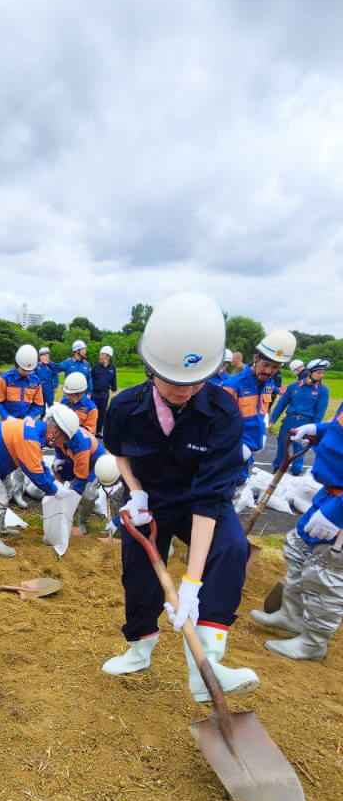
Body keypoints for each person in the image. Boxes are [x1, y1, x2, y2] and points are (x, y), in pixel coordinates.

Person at [102, 291, 259, 702]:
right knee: (139, 576)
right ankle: (139, 650)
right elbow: (118, 452)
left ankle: (204, 668)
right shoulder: (124, 407)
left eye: (196, 382)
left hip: (197, 502)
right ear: (152, 367)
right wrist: (134, 492)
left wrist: (191, 582)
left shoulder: (223, 412)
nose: (185, 391)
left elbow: (210, 499)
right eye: (174, 381)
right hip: (148, 501)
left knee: (230, 549)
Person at [250, 408, 343, 660]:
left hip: (339, 506)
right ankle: (292, 616)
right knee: (298, 548)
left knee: (327, 573)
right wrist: (318, 430)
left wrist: (338, 513)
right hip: (329, 495)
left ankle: (313, 643)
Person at [0, 405, 79, 556]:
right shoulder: (30, 436)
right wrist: (54, 490)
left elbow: (38, 463)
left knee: (5, 492)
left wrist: (53, 482)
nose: (61, 444)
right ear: (56, 432)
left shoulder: (36, 431)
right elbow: (35, 472)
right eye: (63, 439)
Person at [224, 329, 296, 481]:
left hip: (251, 451)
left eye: (275, 367)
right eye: (266, 365)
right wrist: (235, 449)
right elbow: (219, 424)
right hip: (233, 453)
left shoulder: (268, 383)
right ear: (255, 358)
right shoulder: (234, 385)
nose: (269, 371)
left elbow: (260, 413)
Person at [0, 345, 44, 509]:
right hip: (7, 425)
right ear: (17, 364)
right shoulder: (5, 379)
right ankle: (3, 493)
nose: (26, 372)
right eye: (23, 369)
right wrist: (8, 418)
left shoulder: (35, 382)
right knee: (5, 459)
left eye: (29, 370)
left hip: (24, 426)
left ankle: (18, 492)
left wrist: (29, 416)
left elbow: (39, 405)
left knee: (22, 461)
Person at [270, 358, 329, 475]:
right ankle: (276, 472)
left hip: (305, 423)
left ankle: (296, 474)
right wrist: (273, 419)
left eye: (323, 373)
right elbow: (282, 404)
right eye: (318, 372)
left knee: (299, 452)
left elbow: (319, 413)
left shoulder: (323, 390)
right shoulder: (294, 386)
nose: (321, 375)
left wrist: (314, 430)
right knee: (281, 449)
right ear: (309, 372)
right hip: (288, 422)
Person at [53, 425, 106, 533]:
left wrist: (71, 498)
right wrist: (57, 464)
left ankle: (82, 521)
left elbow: (82, 477)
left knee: (88, 494)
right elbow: (59, 452)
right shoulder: (58, 434)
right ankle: (57, 515)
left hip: (93, 466)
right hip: (73, 460)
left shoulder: (82, 443)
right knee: (56, 474)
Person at [90, 345, 117, 437]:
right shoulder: (95, 368)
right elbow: (89, 381)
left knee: (102, 413)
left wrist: (114, 392)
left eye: (102, 355)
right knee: (93, 412)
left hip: (105, 395)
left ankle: (98, 432)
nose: (100, 357)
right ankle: (90, 431)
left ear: (108, 357)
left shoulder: (112, 368)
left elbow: (114, 381)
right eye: (100, 355)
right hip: (94, 394)